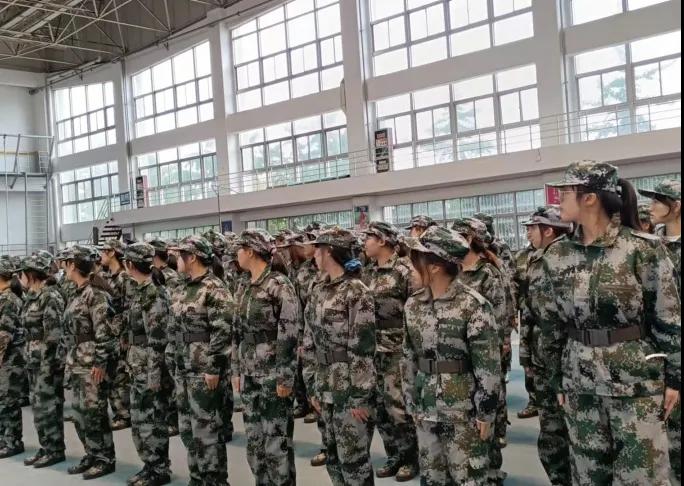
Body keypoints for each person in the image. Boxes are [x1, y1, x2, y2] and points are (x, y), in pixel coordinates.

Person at [544, 161, 680, 485]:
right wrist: (556, 379)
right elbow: (551, 325)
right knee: (589, 475)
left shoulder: (642, 250)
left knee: (641, 476)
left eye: (565, 192)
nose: (558, 199)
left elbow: (668, 318)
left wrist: (675, 378)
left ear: (590, 198)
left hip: (635, 384)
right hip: (580, 383)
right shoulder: (556, 255)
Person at [402, 226, 501, 486]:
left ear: (435, 267)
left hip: (462, 412)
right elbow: (408, 356)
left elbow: (488, 367)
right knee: (432, 478)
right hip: (425, 408)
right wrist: (411, 401)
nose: (410, 269)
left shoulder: (472, 305)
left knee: (468, 478)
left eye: (415, 262)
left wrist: (485, 413)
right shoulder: (413, 305)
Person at [303, 228, 376, 486]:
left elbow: (363, 347)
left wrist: (360, 395)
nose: (314, 255)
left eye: (318, 250)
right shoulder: (318, 290)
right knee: (333, 457)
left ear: (330, 252)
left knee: (353, 460)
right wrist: (311, 385)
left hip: (349, 389)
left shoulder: (356, 291)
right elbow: (309, 340)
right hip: (325, 385)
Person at [232, 229, 300, 486]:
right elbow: (236, 332)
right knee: (255, 442)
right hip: (250, 373)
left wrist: (285, 376)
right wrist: (236, 370)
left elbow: (289, 333)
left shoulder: (279, 285)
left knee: (276, 442)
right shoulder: (244, 285)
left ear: (250, 251)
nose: (237, 254)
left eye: (240, 249)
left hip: (272, 375)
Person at [168, 236, 232, 486]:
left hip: (203, 370)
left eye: (180, 255)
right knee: (187, 429)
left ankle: (214, 480)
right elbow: (173, 328)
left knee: (207, 430)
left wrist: (214, 367)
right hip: (183, 368)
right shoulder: (181, 288)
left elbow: (222, 330)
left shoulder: (214, 288)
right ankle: (197, 477)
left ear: (192, 257)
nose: (176, 259)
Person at [452, 217, 509, 485]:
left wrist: (497, 348)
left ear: (469, 239)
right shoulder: (453, 270)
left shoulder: (487, 273)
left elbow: (499, 315)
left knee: (488, 408)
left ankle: (492, 469)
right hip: (460, 354)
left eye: (458, 236)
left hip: (484, 351)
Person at [519, 207, 573, 486]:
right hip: (543, 359)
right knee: (551, 432)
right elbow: (528, 311)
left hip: (568, 360)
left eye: (533, 227)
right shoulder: (537, 260)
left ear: (549, 230)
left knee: (570, 432)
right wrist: (526, 355)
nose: (528, 233)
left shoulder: (570, 257)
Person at [362, 221, 419, 481]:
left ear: (383, 241)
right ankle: (394, 454)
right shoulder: (368, 272)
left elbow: (416, 310)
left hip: (398, 349)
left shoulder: (404, 270)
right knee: (381, 408)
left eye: (369, 238)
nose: (365, 242)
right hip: (374, 350)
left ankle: (411, 458)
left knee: (399, 407)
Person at [639, 179, 682, 484]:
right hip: (657, 350)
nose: (651, 206)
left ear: (676, 206)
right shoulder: (649, 246)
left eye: (658, 200)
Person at [63, 245, 117, 479]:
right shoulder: (76, 292)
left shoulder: (96, 295)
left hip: (92, 361)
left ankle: (105, 458)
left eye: (66, 263)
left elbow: (105, 333)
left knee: (95, 413)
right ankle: (91, 453)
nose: (64, 267)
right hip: (77, 360)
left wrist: (101, 363)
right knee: (79, 413)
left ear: (73, 265)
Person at [123, 243, 172, 486]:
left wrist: (154, 375)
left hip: (149, 367)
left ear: (130, 265)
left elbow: (157, 339)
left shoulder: (153, 294)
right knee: (139, 420)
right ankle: (149, 465)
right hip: (138, 365)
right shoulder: (140, 290)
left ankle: (159, 468)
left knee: (152, 420)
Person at [19, 253, 67, 468]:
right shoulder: (32, 296)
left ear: (31, 274)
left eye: (23, 273)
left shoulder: (50, 297)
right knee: (38, 407)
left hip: (47, 363)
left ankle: (55, 449)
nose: (20, 278)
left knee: (49, 407)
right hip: (33, 361)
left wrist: (48, 367)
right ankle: (45, 446)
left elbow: (53, 336)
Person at [100, 239, 132, 431]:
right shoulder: (105, 276)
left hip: (119, 333)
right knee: (111, 372)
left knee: (120, 375)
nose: (101, 255)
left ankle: (123, 413)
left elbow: (128, 307)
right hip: (107, 331)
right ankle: (117, 410)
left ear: (112, 252)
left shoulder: (124, 278)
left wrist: (123, 334)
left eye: (104, 251)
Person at [0, 258, 26, 459]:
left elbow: (4, 333)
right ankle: (4, 438)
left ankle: (13, 442)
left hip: (10, 357)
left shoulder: (9, 299)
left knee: (8, 401)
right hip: (6, 357)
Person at [513, 242, 538, 421]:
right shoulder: (521, 256)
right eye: (527, 229)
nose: (529, 232)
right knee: (526, 356)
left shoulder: (559, 251)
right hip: (527, 314)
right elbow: (514, 285)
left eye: (532, 229)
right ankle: (533, 399)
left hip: (547, 316)